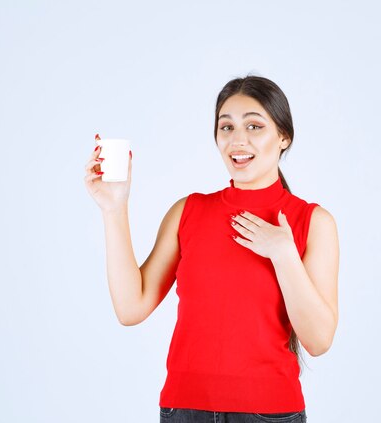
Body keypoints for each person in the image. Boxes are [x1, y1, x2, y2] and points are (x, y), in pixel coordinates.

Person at [84, 75, 339, 423]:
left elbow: (319, 340)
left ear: (284, 137)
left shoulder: (312, 221)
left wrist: (283, 254)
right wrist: (114, 208)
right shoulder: (188, 212)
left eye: (254, 126)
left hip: (269, 413)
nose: (238, 140)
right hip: (183, 410)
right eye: (226, 127)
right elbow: (131, 307)